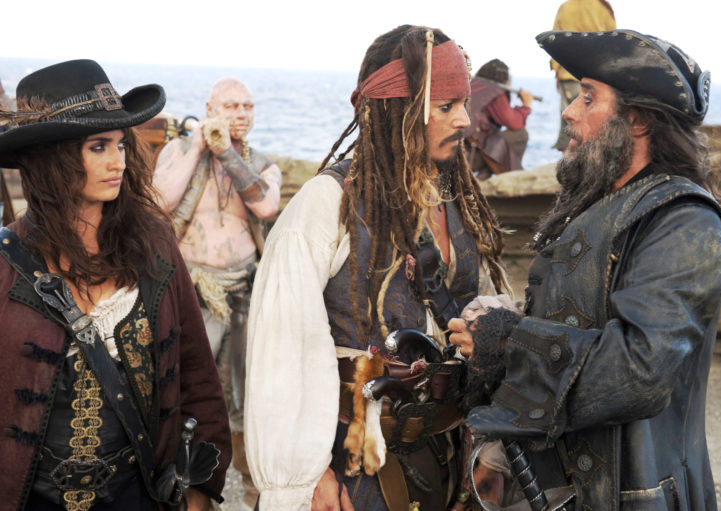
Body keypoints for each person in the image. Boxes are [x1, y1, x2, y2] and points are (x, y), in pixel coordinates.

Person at [448, 29, 721, 510]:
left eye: (588, 97)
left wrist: (509, 342)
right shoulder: (603, 205)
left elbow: (639, 370)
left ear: (637, 120)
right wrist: (500, 331)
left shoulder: (686, 222)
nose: (568, 112)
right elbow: (578, 322)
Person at [244, 24, 515, 511]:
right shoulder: (327, 203)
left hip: (448, 459)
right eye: (445, 106)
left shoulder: (456, 199)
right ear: (398, 109)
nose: (465, 121)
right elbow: (281, 354)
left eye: (465, 103)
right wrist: (305, 480)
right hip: (354, 470)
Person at [0, 60, 231, 510]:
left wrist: (201, 485)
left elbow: (196, 370)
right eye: (98, 146)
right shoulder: (7, 261)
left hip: (137, 493)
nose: (118, 161)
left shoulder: (153, 244)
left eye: (121, 144)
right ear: (51, 158)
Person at [153, 77, 281, 509]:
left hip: (244, 290)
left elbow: (266, 205)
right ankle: (183, 491)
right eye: (230, 106)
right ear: (210, 109)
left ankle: (252, 492)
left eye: (247, 106)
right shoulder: (178, 151)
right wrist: (199, 145)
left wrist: (226, 151)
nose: (240, 114)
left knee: (247, 396)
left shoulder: (262, 164)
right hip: (191, 290)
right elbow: (158, 201)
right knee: (185, 389)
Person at [549, 0, 616, 152]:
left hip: (568, 74)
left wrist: (557, 73)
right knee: (594, 122)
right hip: (596, 74)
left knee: (568, 120)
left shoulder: (565, 7)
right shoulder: (602, 7)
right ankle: (589, 157)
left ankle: (567, 158)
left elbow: (554, 41)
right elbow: (613, 42)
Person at [465, 59, 534, 178]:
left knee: (492, 145)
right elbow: (514, 122)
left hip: (463, 153)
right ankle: (506, 178)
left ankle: (482, 179)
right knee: (520, 135)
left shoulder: (473, 86)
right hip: (471, 155)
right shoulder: (493, 90)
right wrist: (526, 106)